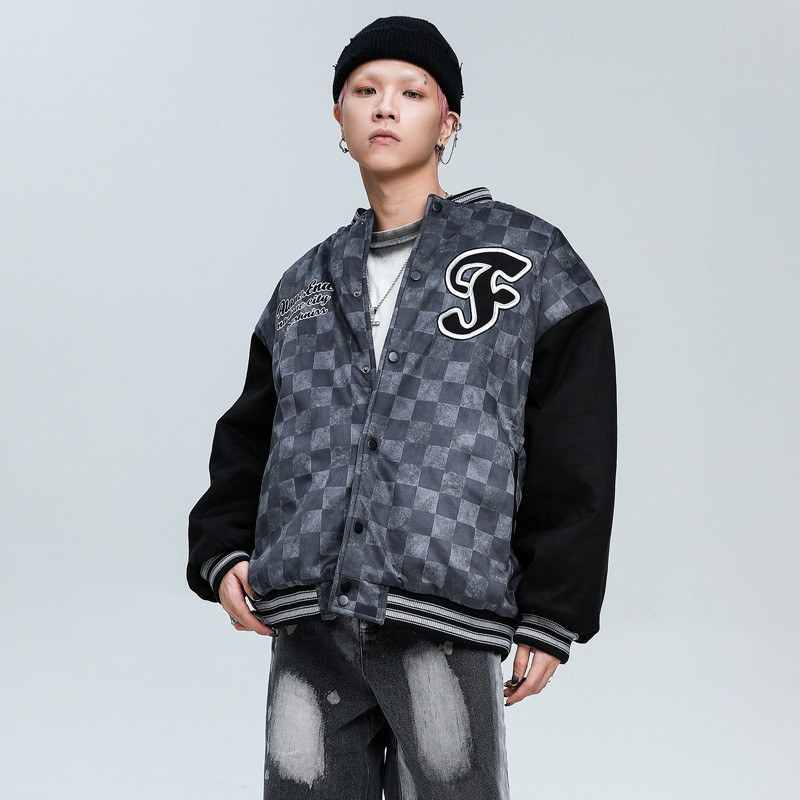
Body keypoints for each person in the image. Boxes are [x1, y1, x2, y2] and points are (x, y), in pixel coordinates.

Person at [187, 15, 617, 799]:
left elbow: (575, 439)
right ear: (340, 118)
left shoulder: (530, 261)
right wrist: (222, 549)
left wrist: (553, 609)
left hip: (444, 613)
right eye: (365, 91)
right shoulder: (305, 284)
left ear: (447, 124)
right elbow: (253, 431)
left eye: (413, 93)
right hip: (311, 623)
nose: (386, 106)